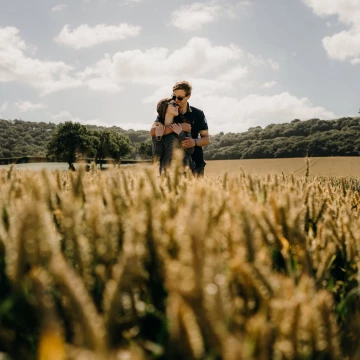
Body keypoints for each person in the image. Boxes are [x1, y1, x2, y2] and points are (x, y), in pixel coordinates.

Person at [150, 81, 210, 176]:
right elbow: (153, 132)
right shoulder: (168, 112)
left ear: (188, 96)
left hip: (196, 162)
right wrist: (181, 127)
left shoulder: (198, 114)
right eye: (174, 96)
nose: (176, 100)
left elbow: (206, 139)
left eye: (180, 98)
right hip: (171, 168)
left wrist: (194, 142)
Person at [152, 97, 196, 174]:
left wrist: (180, 134)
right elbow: (157, 156)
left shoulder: (184, 126)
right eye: (174, 104)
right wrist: (158, 138)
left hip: (185, 173)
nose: (177, 106)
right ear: (164, 107)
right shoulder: (158, 129)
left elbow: (190, 151)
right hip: (166, 174)